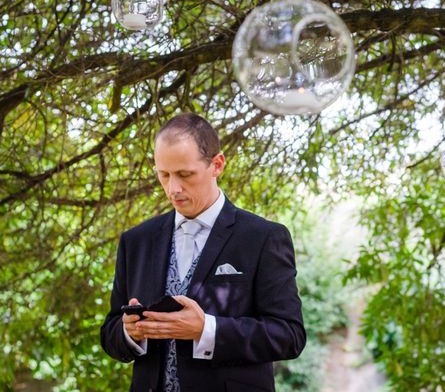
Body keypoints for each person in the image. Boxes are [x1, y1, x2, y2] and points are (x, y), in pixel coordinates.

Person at [101, 113, 306, 391]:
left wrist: (206, 330)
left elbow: (290, 336)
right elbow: (110, 331)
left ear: (217, 164)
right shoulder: (136, 241)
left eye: (185, 175)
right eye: (164, 175)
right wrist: (129, 332)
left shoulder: (264, 237)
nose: (173, 189)